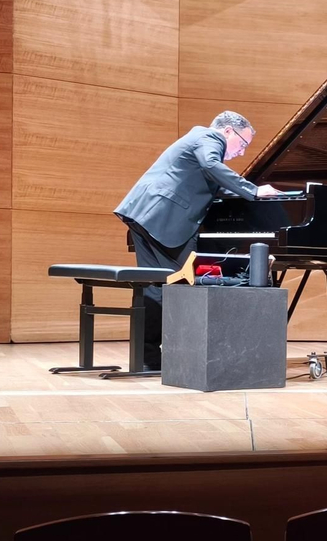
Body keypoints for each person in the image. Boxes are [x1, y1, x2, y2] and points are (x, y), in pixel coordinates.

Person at [114, 111, 283, 370]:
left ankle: (148, 359)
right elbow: (211, 165)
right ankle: (188, 360)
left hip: (145, 213)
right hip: (163, 216)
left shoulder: (197, 140)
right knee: (188, 283)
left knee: (155, 287)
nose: (242, 152)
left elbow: (212, 181)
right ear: (228, 131)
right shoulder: (208, 138)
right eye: (243, 144)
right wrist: (254, 190)